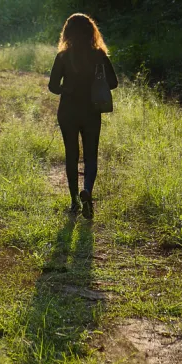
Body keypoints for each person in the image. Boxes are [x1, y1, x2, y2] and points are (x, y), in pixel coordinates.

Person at [48, 13, 118, 219]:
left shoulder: (63, 57)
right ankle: (87, 190)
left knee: (71, 155)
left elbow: (52, 86)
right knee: (90, 155)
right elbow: (113, 83)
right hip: (91, 110)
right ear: (91, 32)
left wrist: (67, 89)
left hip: (68, 111)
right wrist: (96, 83)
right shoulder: (99, 56)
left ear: (67, 32)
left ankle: (73, 202)